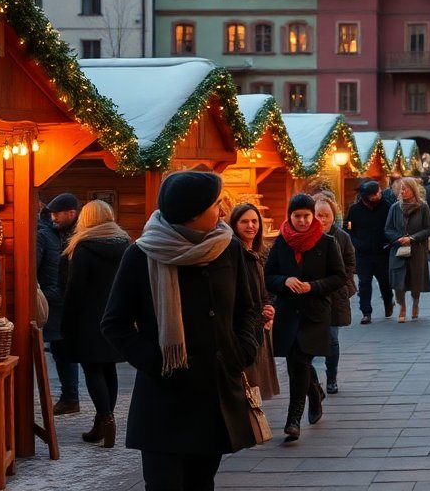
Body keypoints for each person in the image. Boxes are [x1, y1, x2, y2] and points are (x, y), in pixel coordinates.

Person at [102, 171, 260, 489]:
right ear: (194, 212)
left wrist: (242, 351)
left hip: (214, 392)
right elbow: (114, 323)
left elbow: (248, 309)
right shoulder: (141, 254)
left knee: (203, 483)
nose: (222, 210)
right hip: (166, 399)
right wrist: (156, 362)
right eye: (216, 204)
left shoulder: (228, 249)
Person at [265, 193, 345, 442]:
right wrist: (284, 281)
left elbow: (339, 277)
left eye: (306, 216)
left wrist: (313, 286)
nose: (301, 220)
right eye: (297, 216)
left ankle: (293, 419)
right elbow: (268, 276)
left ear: (313, 217)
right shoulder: (281, 243)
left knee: (299, 361)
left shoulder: (327, 242)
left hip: (314, 313)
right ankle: (315, 392)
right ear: (290, 216)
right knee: (296, 361)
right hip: (289, 313)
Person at [61, 200, 130, 448]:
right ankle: (102, 423)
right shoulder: (125, 244)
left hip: (88, 319)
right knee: (109, 370)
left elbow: (75, 289)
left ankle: (106, 419)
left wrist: (67, 321)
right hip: (116, 317)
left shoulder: (84, 247)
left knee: (92, 370)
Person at [227, 202, 280, 402]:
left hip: (259, 323)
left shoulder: (257, 252)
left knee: (256, 382)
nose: (251, 226)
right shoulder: (235, 253)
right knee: (246, 381)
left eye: (254, 221)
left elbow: (262, 287)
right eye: (244, 222)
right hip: (245, 325)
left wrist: (268, 307)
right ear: (234, 224)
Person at [38, 192, 82, 414]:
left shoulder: (52, 235)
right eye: (52, 213)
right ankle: (70, 397)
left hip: (60, 299)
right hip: (57, 299)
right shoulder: (54, 234)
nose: (54, 217)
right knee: (62, 349)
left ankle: (70, 397)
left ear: (71, 213)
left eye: (57, 213)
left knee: (63, 350)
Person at [313, 193, 355, 395]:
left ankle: (331, 377)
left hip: (334, 295)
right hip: (311, 294)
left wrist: (343, 283)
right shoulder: (305, 237)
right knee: (307, 342)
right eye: (318, 215)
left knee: (332, 338)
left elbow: (350, 263)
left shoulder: (342, 237)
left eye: (325, 215)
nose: (321, 220)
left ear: (333, 216)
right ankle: (311, 382)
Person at [384, 177, 430, 322]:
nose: (403, 191)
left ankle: (415, 302)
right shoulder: (395, 207)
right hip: (398, 248)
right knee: (398, 280)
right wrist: (399, 237)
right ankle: (402, 306)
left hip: (416, 249)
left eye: (406, 188)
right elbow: (388, 229)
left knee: (415, 280)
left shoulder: (422, 206)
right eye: (401, 189)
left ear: (413, 190)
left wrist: (412, 238)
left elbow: (429, 228)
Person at [345, 181, 394, 324]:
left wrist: (388, 242)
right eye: (375, 193)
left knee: (385, 282)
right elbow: (349, 228)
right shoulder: (355, 210)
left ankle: (388, 302)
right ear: (367, 196)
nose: (379, 195)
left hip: (382, 251)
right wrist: (356, 242)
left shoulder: (386, 207)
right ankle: (366, 312)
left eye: (379, 192)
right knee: (364, 283)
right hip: (363, 253)